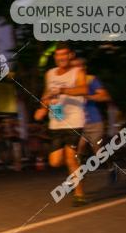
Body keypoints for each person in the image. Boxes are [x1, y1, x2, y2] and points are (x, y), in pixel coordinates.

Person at [34, 44, 88, 206]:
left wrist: (63, 90)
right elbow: (47, 93)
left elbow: (84, 89)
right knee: (55, 162)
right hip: (56, 123)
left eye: (64, 55)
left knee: (70, 159)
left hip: (74, 121)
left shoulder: (77, 72)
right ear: (55, 57)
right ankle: (76, 172)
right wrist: (42, 109)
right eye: (58, 55)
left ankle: (79, 195)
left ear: (70, 55)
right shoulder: (50, 74)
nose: (61, 58)